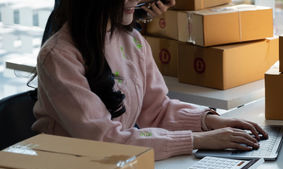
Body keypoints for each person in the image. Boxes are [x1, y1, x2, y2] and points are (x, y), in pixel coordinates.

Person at [32, 0, 268, 160]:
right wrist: (199, 139)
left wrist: (210, 121)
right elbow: (105, 140)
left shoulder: (132, 39)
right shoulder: (58, 57)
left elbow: (156, 110)